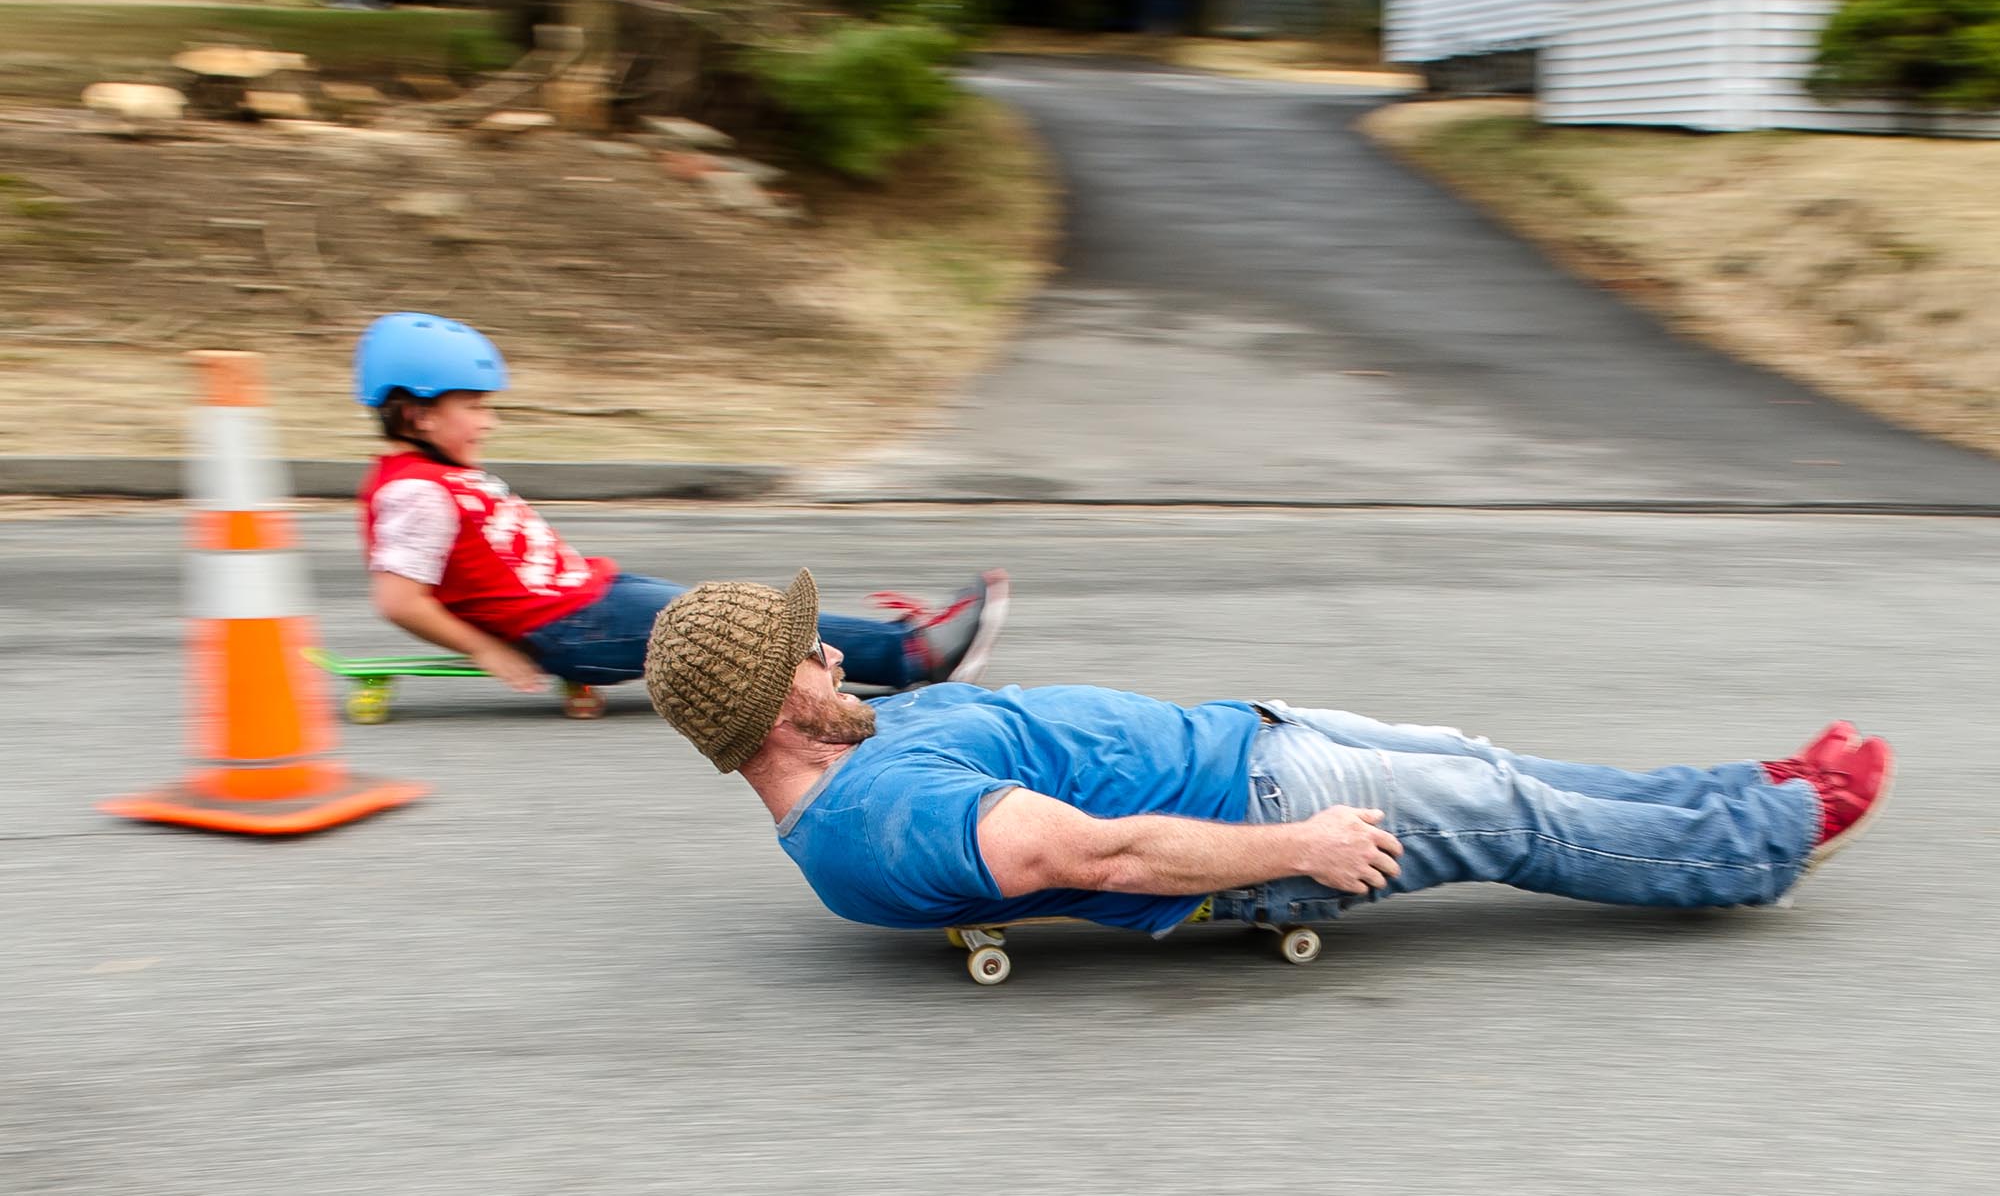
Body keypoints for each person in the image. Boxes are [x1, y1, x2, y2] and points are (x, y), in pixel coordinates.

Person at [643, 569, 1894, 939]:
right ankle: (1767, 842)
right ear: (772, 713)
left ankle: (1748, 792)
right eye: (805, 654)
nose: (827, 653)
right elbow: (1096, 850)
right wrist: (1299, 846)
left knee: (1500, 770)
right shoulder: (879, 818)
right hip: (1265, 804)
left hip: (1250, 741)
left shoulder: (853, 743)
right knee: (1511, 816)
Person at [352, 312, 1006, 698]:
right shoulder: (414, 491)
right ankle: (913, 656)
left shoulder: (436, 473)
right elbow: (399, 598)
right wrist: (489, 650)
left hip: (589, 600)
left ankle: (897, 648)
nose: (487, 421)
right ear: (413, 411)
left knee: (740, 613)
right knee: (745, 626)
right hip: (572, 626)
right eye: (472, 406)